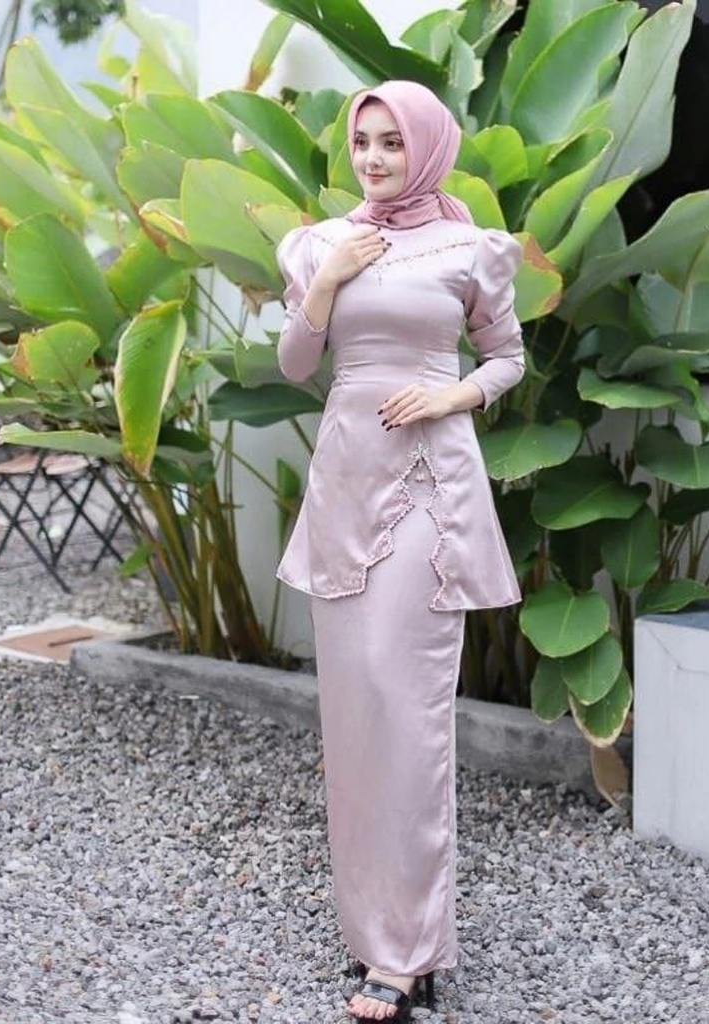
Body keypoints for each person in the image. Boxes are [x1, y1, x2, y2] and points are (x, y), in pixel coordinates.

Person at [274, 79, 525, 1022]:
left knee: (404, 693)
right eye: (363, 142)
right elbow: (296, 364)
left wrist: (452, 394)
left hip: (429, 484)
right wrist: (329, 278)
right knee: (351, 708)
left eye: (392, 143)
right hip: (346, 481)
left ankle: (408, 952)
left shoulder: (471, 248)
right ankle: (372, 931)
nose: (375, 159)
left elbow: (507, 357)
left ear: (426, 148)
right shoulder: (318, 243)